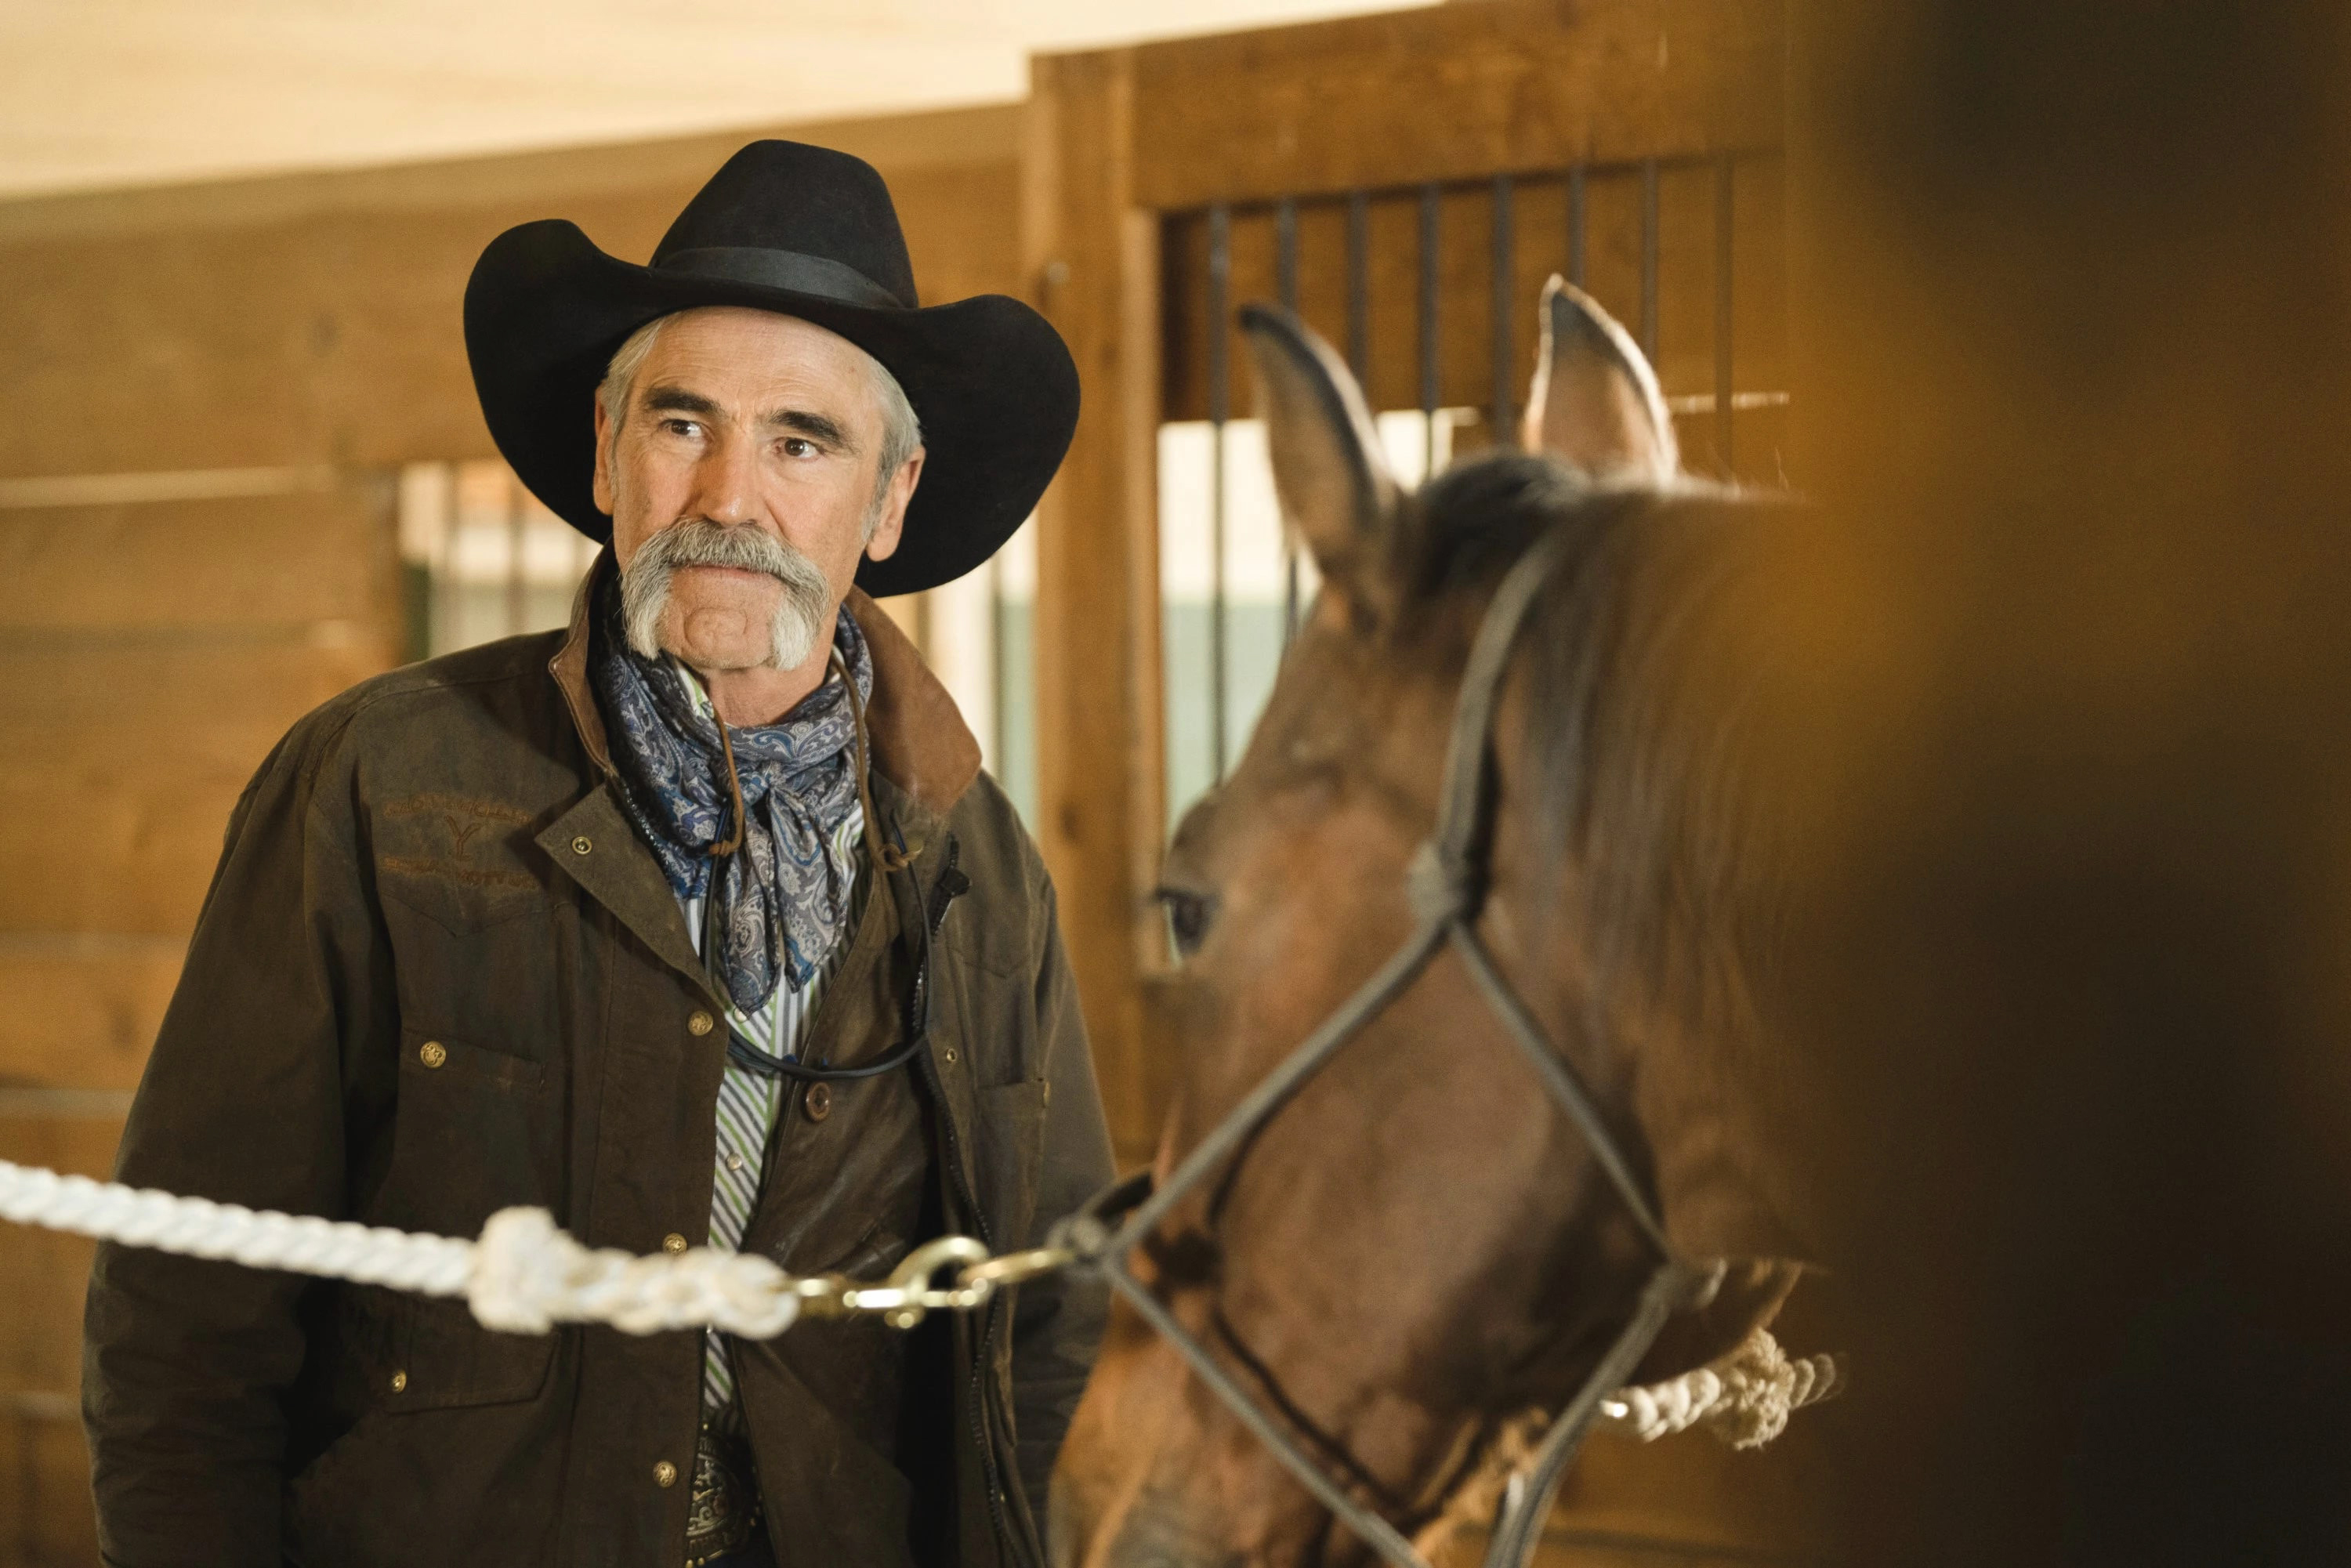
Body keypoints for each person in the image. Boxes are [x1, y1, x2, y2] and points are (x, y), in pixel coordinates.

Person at [82, 139, 1113, 1568]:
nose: (730, 498)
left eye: (801, 443)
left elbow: (1055, 1326)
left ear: (889, 499)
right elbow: (186, 1311)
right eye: (684, 424)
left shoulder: (977, 864)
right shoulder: (380, 783)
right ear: (605, 451)